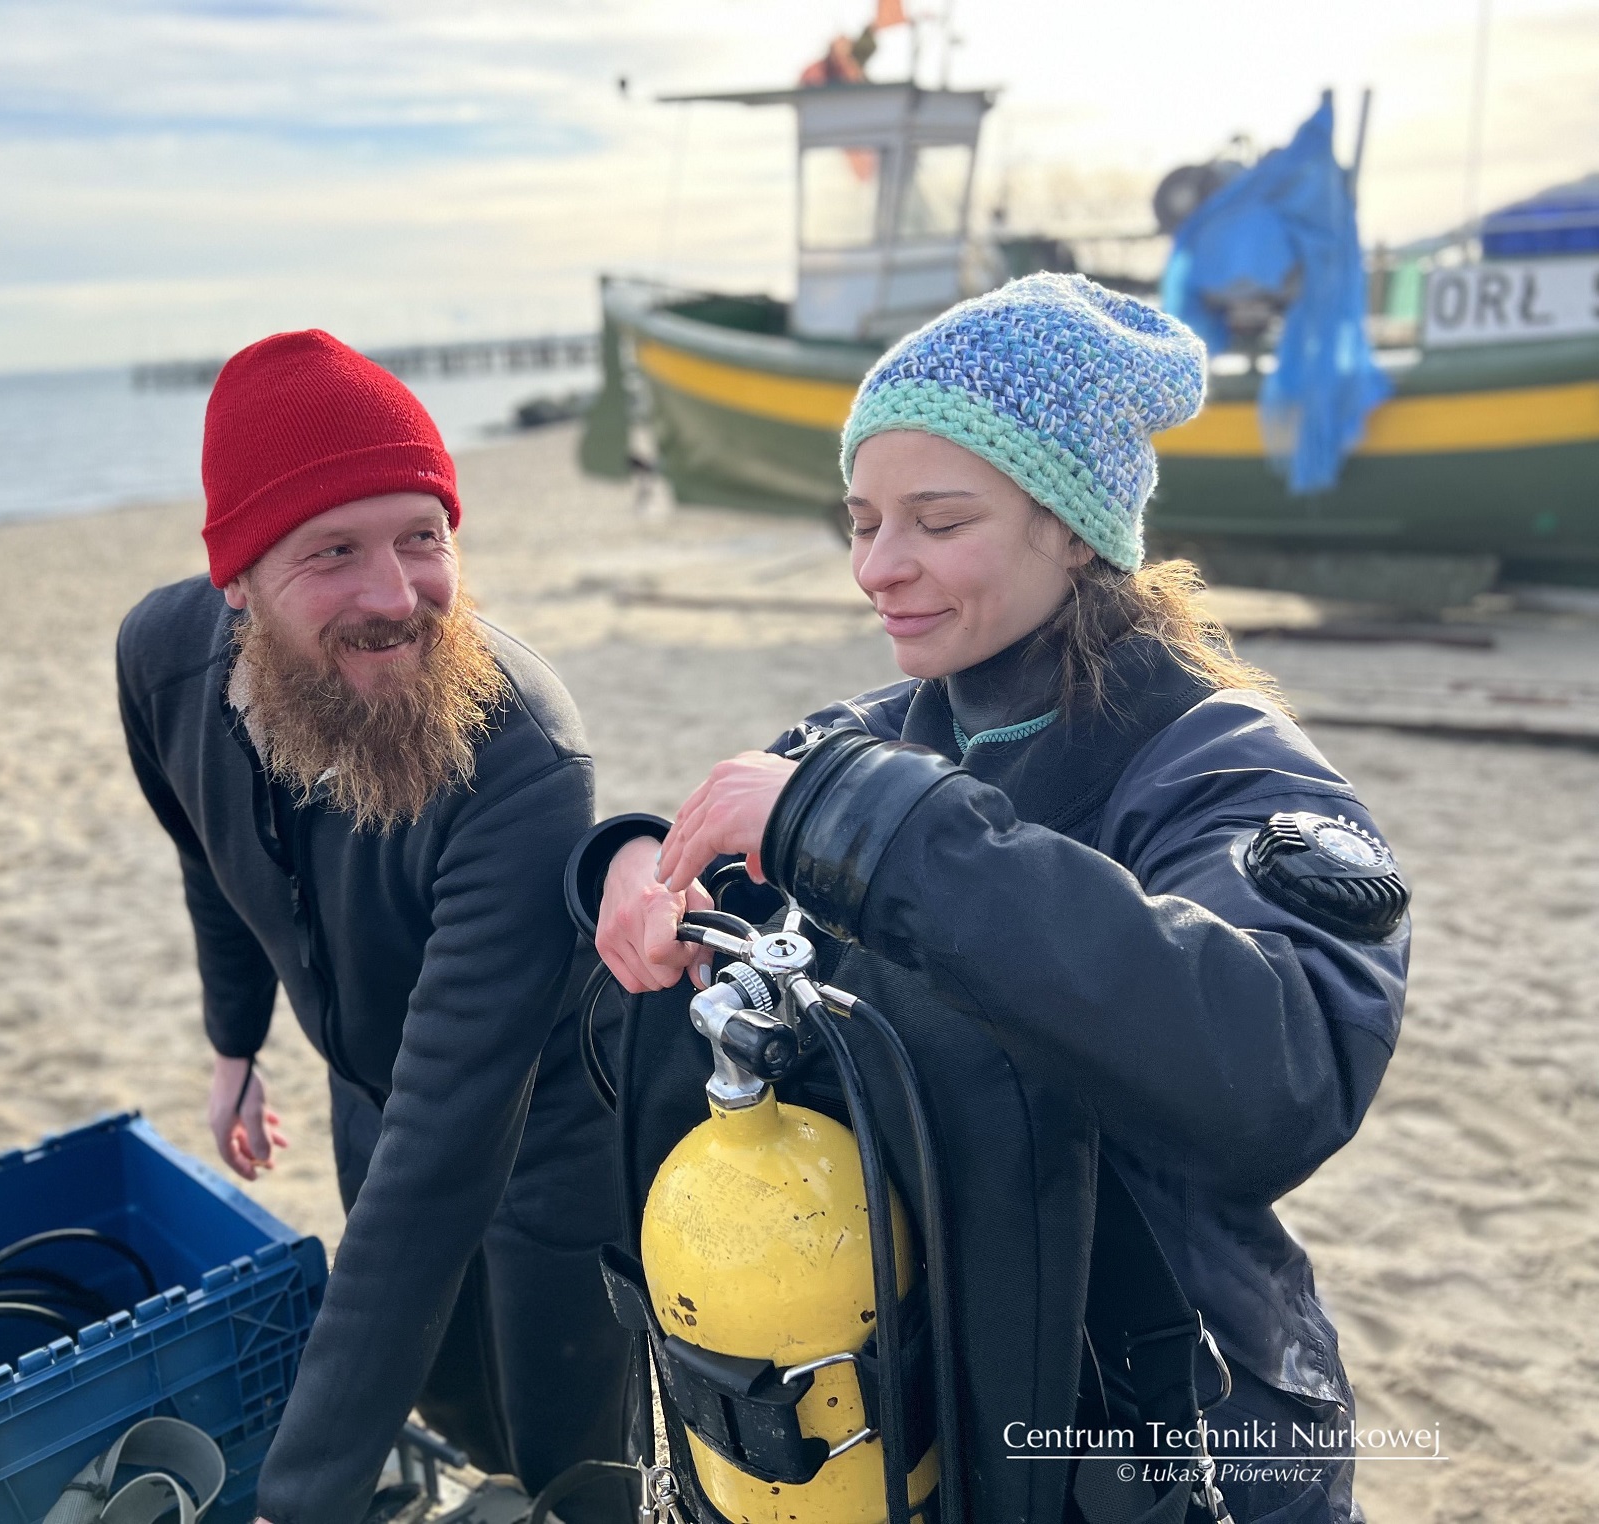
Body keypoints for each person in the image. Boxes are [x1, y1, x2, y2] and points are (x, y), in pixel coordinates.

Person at [581, 275, 1408, 1524]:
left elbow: (1279, 1072)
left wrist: (877, 835)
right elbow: (732, 865)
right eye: (860, 521)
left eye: (936, 519)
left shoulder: (1219, 765)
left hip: (1162, 1436)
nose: (878, 567)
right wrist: (633, 869)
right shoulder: (875, 736)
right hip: (912, 1410)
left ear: (1071, 527)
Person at [116, 331, 632, 1524]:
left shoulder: (522, 754)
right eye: (333, 552)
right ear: (235, 579)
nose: (396, 597)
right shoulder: (160, 660)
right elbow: (207, 848)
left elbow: (449, 1139)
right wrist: (234, 1040)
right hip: (367, 1093)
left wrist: (294, 1502)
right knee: (447, 1415)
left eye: (422, 538)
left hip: (546, 1120)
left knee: (570, 1463)